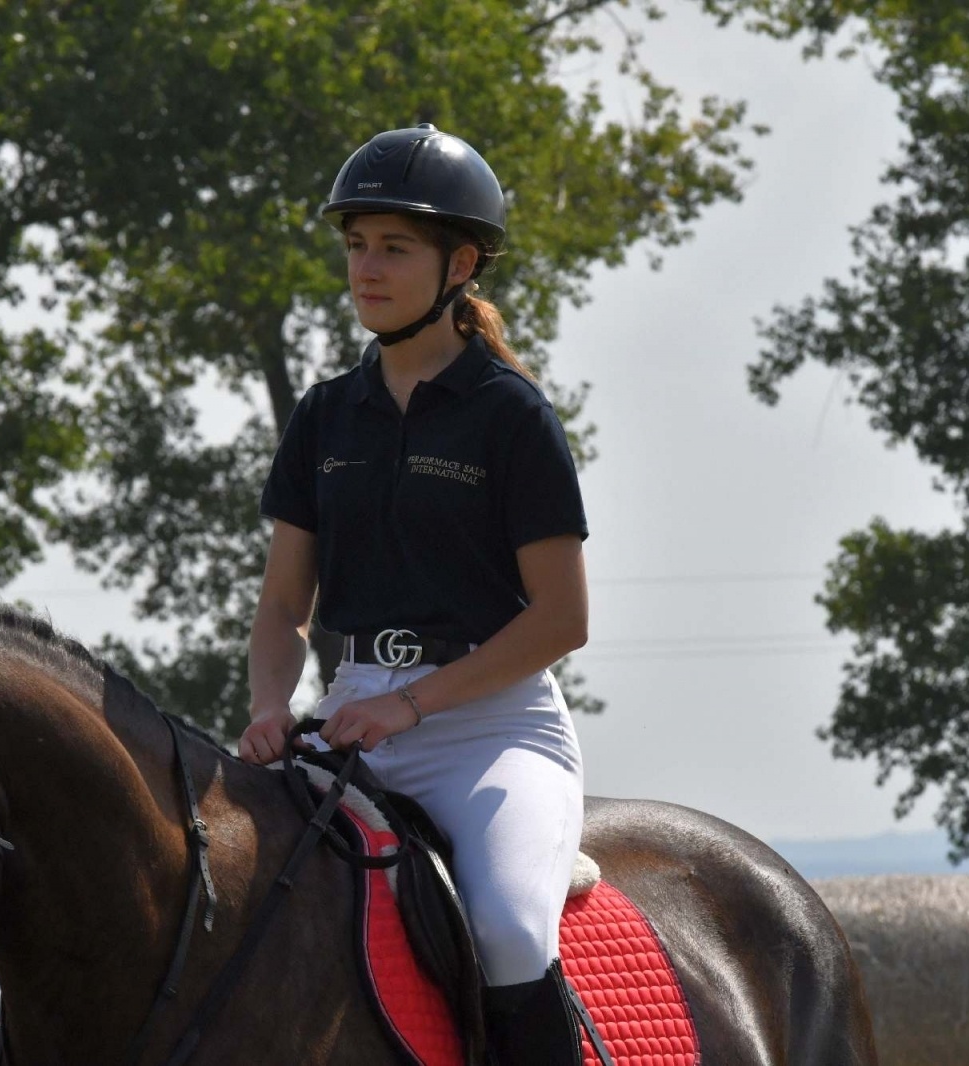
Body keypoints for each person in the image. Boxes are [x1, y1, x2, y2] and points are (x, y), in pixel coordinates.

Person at [238, 123, 590, 1065]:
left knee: (512, 934)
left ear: (460, 262)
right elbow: (283, 609)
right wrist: (272, 706)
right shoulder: (324, 416)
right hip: (349, 718)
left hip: (494, 732)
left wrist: (413, 704)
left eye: (394, 246)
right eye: (356, 245)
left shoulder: (511, 415)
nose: (366, 267)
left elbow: (563, 619)